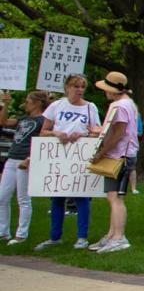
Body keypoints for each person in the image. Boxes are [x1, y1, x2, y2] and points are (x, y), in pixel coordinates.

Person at [36, 75, 101, 250]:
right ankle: (54, 236)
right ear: (67, 87)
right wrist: (57, 134)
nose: (79, 90)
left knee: (81, 196)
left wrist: (83, 135)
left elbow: (96, 132)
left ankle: (82, 237)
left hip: (79, 155)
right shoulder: (56, 106)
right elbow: (43, 131)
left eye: (82, 87)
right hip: (58, 156)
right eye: (75, 86)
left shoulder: (90, 107)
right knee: (57, 197)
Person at [88, 71, 139, 253]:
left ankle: (119, 237)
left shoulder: (120, 106)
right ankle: (111, 234)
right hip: (120, 153)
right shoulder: (125, 104)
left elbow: (119, 133)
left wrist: (101, 152)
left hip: (121, 155)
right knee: (112, 196)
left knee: (116, 197)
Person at [0, 91, 46, 245]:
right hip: (12, 158)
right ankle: (3, 231)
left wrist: (29, 158)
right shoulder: (23, 118)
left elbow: (42, 142)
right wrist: (6, 104)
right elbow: (3, 122)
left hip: (24, 160)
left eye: (28, 101)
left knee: (23, 198)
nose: (25, 104)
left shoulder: (42, 121)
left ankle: (21, 234)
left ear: (37, 103)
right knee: (2, 197)